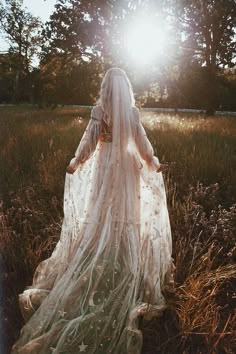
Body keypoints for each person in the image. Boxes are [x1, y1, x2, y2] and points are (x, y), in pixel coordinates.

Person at [11, 67, 175, 354]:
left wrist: (78, 160)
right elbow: (141, 142)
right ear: (125, 89)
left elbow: (89, 141)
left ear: (106, 89)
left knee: (104, 213)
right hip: (126, 167)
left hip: (106, 166)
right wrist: (152, 161)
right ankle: (119, 254)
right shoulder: (129, 114)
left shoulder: (100, 111)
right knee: (124, 213)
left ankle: (109, 251)